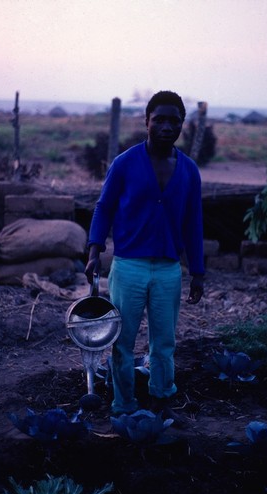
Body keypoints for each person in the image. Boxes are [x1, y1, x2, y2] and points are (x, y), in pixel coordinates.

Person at [85, 90, 204, 424]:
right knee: (122, 343)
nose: (167, 127)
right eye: (159, 120)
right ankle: (123, 405)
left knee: (163, 342)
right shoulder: (125, 163)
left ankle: (162, 397)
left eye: (174, 121)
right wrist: (94, 250)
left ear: (182, 125)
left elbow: (194, 221)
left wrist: (198, 272)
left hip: (168, 271)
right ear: (147, 122)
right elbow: (104, 207)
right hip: (128, 268)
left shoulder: (189, 171)